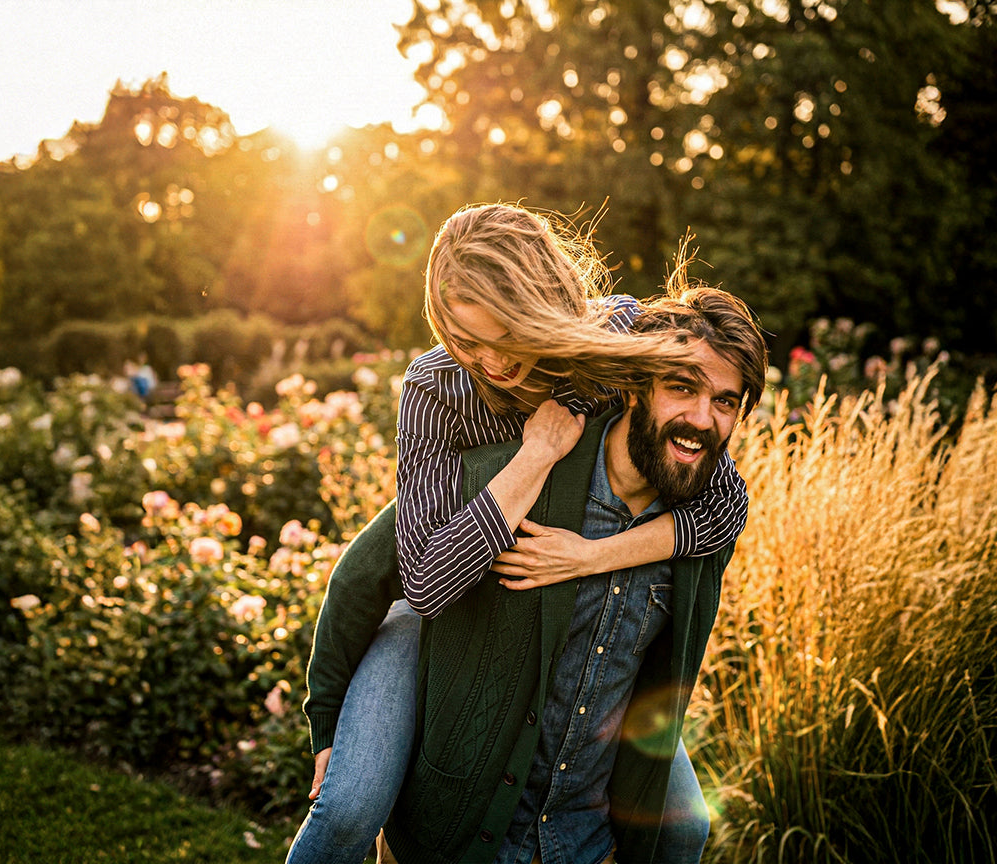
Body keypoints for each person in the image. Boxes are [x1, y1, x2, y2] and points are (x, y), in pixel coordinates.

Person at [286, 204, 750, 864]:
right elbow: (419, 580)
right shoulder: (439, 384)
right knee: (350, 804)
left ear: (548, 304)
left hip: (549, 598)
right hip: (436, 607)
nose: (489, 360)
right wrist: (535, 455)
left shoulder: (606, 341)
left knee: (685, 826)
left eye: (505, 334)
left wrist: (590, 556)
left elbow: (724, 505)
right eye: (463, 337)